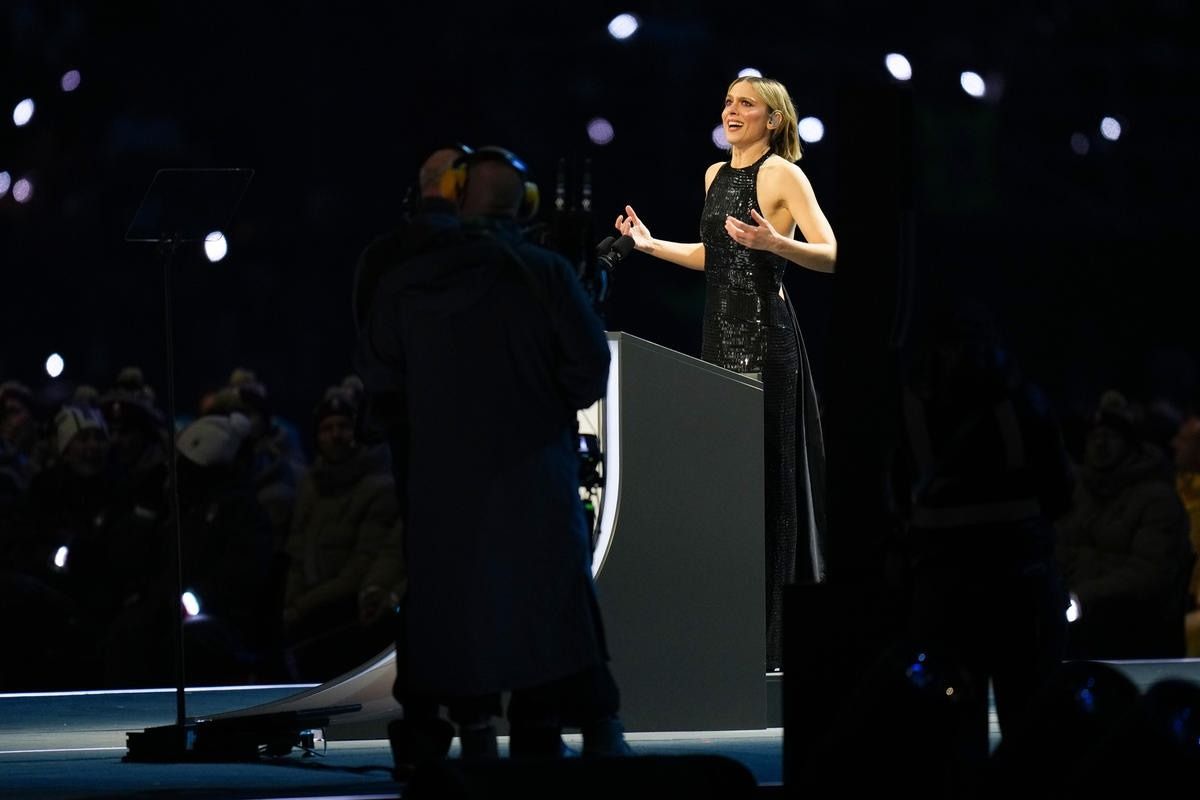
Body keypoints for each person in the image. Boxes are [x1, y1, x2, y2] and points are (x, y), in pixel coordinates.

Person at [358, 145, 629, 775]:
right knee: (553, 606)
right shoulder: (547, 274)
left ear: (455, 196)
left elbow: (380, 377)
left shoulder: (404, 278)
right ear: (524, 205)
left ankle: (457, 736)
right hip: (536, 478)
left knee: (444, 608)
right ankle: (550, 731)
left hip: (441, 485)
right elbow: (589, 370)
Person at [615, 75, 836, 669]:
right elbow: (714, 256)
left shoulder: (782, 174)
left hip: (767, 342)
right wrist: (649, 245)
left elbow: (833, 253)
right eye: (729, 102)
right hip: (718, 342)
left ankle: (776, 643)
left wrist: (776, 244)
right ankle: (731, 634)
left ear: (773, 119)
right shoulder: (715, 174)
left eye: (747, 104)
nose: (732, 111)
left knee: (771, 487)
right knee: (730, 489)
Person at [886, 299, 1075, 785]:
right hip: (1021, 584)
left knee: (950, 737)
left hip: (942, 590)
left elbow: (892, 499)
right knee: (1029, 732)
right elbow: (1060, 493)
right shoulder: (1024, 401)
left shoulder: (907, 406)